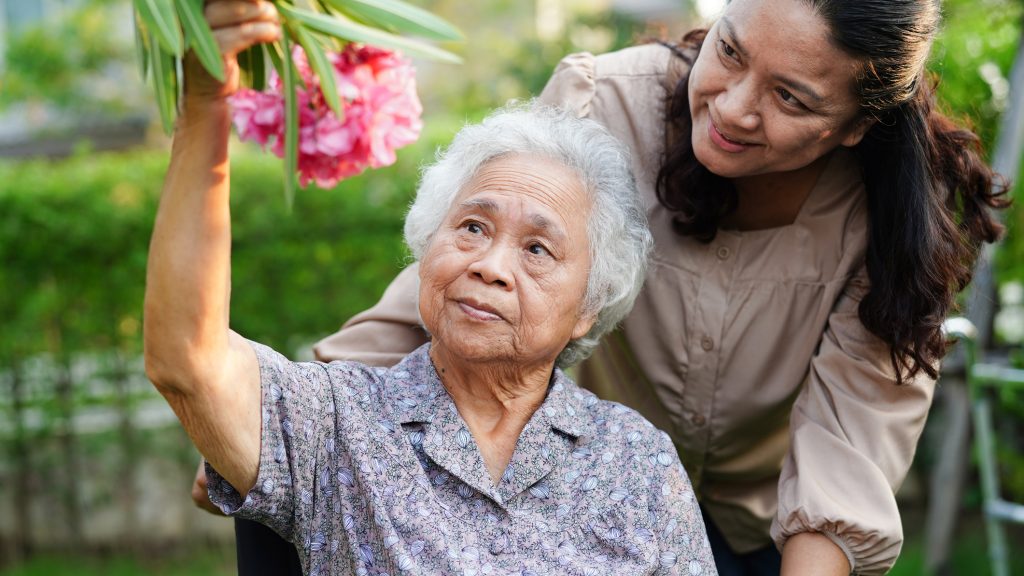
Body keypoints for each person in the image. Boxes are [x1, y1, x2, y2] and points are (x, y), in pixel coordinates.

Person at [305, 0, 1010, 574]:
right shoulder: (603, 105)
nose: (734, 108)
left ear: (857, 125)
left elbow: (848, 444)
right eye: (730, 52)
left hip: (765, 531)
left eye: (790, 97)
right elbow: (463, 274)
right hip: (592, 503)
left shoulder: (889, 214)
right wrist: (294, 429)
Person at [145, 2, 719, 573]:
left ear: (587, 308)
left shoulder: (636, 463)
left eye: (537, 249)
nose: (491, 265)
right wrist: (204, 103)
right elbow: (187, 361)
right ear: (427, 247)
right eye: (472, 227)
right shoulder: (336, 424)